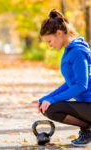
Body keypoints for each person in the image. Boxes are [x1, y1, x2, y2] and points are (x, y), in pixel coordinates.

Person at [38, 9, 91, 147]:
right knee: (47, 106)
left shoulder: (77, 52)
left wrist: (52, 100)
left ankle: (88, 129)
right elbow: (70, 83)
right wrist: (47, 98)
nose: (49, 45)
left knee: (51, 109)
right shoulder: (70, 51)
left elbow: (81, 85)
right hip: (87, 105)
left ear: (59, 34)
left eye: (49, 41)